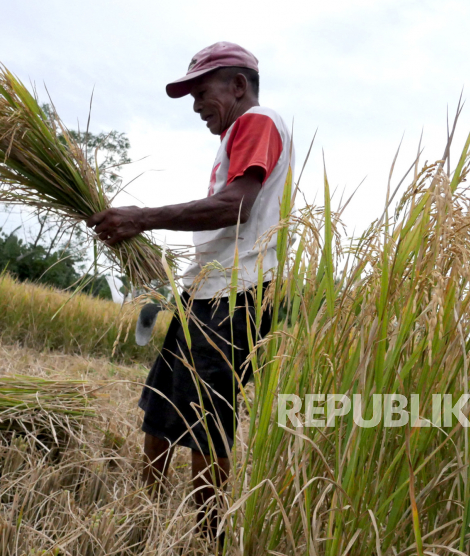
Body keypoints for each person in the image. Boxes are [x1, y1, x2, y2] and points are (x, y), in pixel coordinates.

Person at [85, 41, 295, 543]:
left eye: (203, 92)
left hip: (235, 295)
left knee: (206, 419)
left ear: (238, 86)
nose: (197, 105)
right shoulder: (237, 135)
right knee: (160, 402)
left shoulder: (257, 122)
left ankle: (209, 539)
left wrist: (140, 217)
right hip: (205, 291)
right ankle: (146, 512)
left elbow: (235, 207)